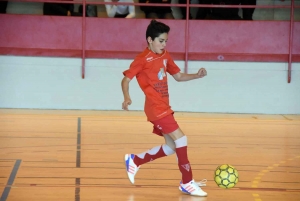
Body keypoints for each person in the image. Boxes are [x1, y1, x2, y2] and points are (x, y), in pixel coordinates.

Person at [121, 20, 208, 197]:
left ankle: (135, 160)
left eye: (166, 41)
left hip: (164, 107)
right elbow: (125, 79)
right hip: (155, 107)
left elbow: (179, 76)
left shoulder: (165, 56)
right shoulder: (142, 59)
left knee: (171, 147)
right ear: (149, 40)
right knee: (181, 139)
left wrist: (196, 76)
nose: (164, 44)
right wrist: (127, 97)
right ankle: (187, 182)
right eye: (161, 41)